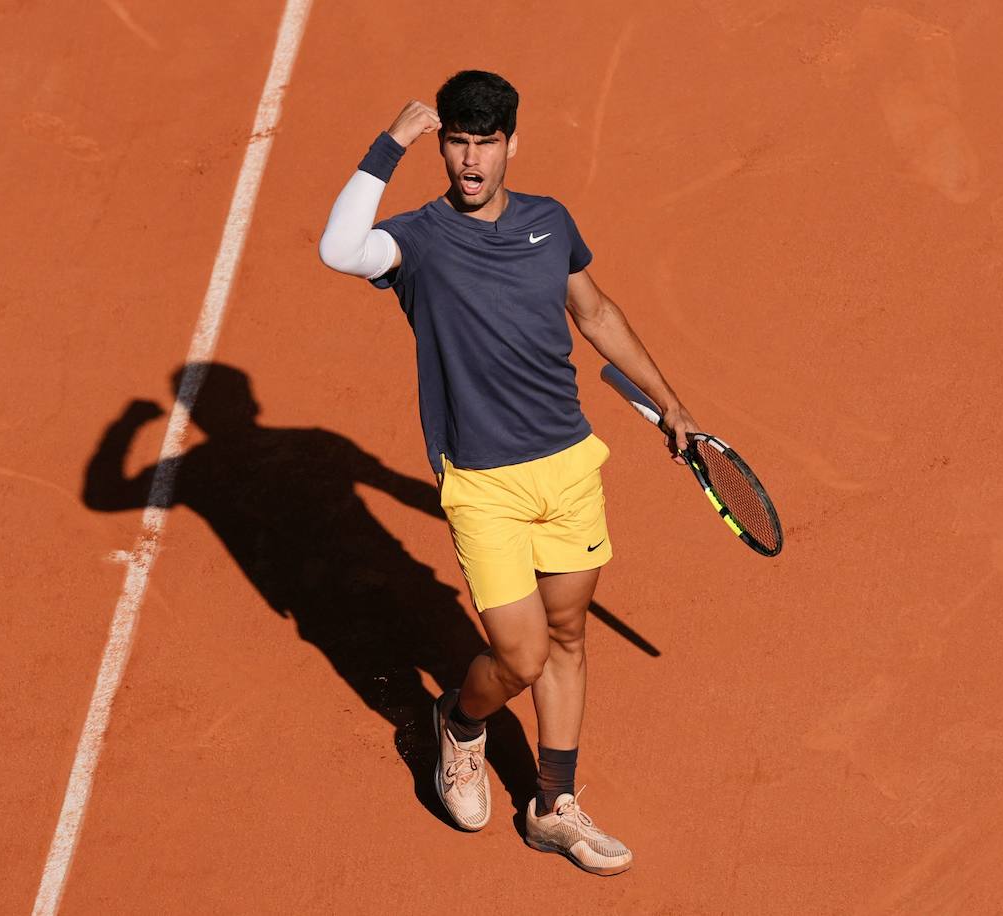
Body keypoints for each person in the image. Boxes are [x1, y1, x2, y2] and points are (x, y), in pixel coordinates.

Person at [318, 70, 695, 876]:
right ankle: (458, 722)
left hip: (567, 465)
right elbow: (338, 248)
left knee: (567, 637)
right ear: (443, 144)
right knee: (519, 659)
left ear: (510, 144)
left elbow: (593, 313)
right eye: (456, 141)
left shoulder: (550, 223)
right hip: (484, 482)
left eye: (484, 142)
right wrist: (390, 144)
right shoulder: (416, 239)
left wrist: (669, 404)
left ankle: (553, 806)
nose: (469, 160)